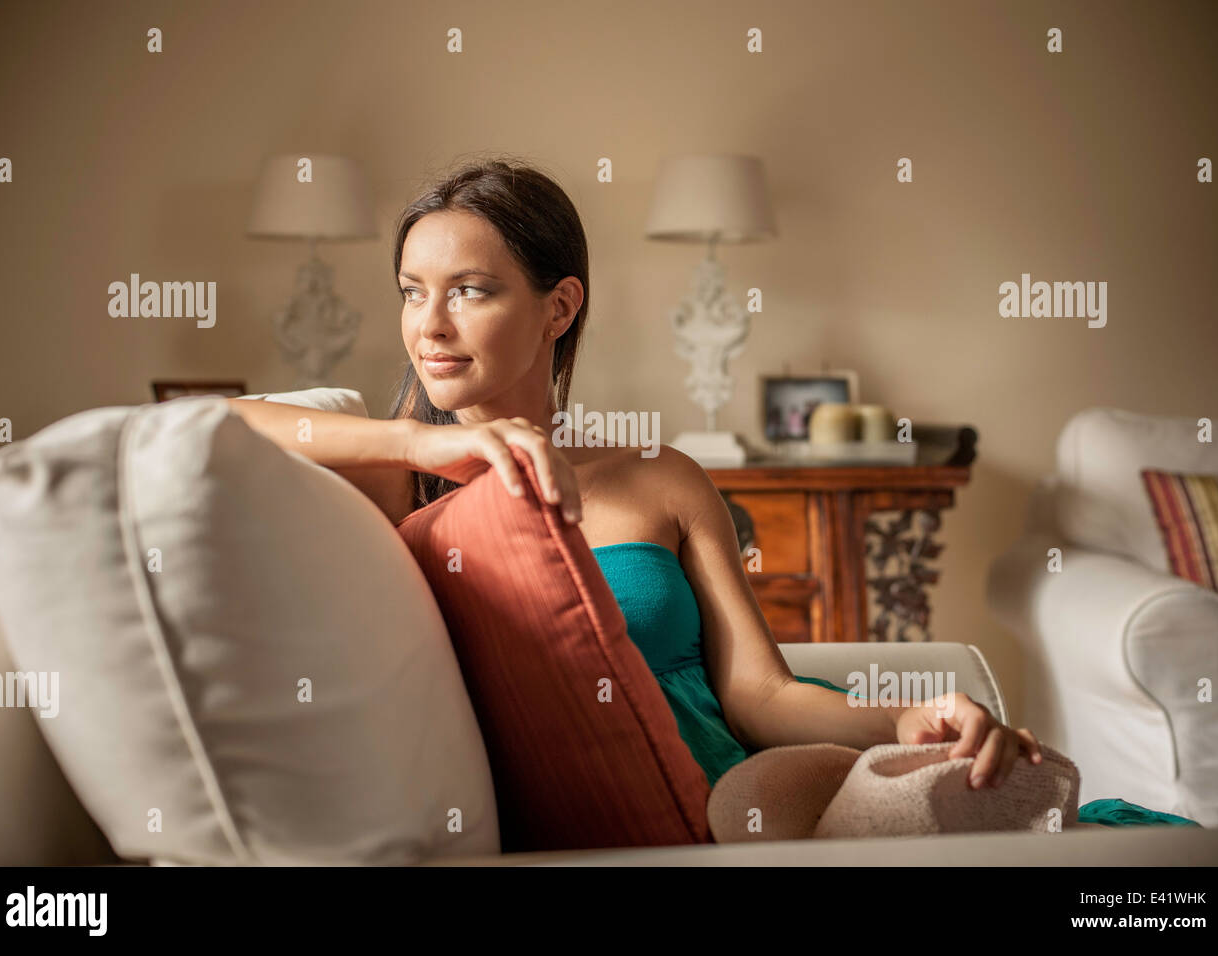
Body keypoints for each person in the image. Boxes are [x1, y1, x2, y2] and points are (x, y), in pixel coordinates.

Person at [230, 156, 1044, 795]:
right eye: (412, 292)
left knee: (983, 795)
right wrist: (417, 444)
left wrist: (908, 718)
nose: (429, 327)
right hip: (610, 816)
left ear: (560, 306)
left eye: (470, 291)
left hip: (748, 786)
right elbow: (200, 428)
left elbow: (761, 695)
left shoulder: (662, 478)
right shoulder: (397, 483)